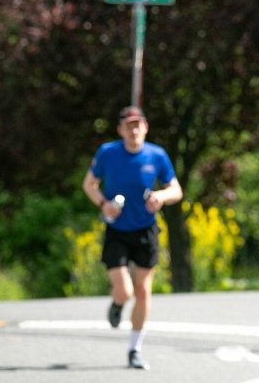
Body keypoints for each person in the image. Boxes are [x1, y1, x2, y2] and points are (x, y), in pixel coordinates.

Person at [82, 105, 183, 371]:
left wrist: (161, 197)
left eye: (138, 124)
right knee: (124, 291)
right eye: (128, 125)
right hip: (116, 230)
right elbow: (89, 185)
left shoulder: (157, 156)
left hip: (145, 230)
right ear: (120, 130)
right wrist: (104, 203)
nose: (134, 129)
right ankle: (117, 305)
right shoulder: (108, 153)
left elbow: (176, 190)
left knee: (142, 291)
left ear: (146, 128)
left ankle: (134, 349)